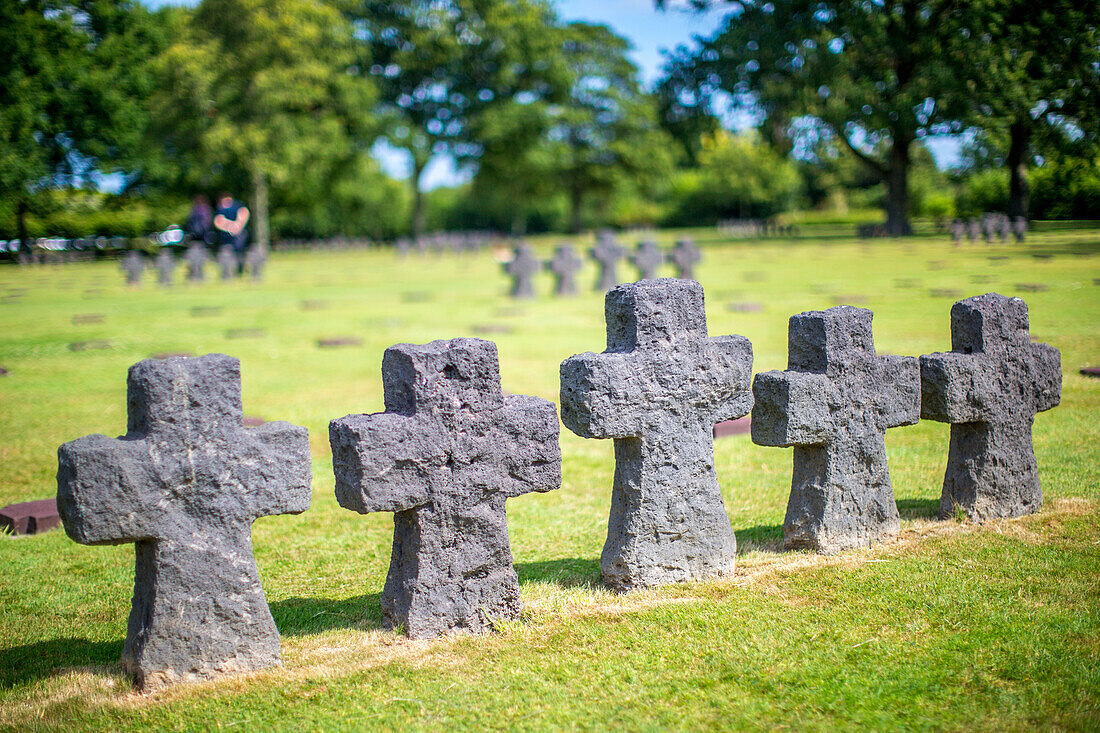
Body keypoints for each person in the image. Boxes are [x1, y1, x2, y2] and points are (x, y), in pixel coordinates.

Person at [213, 192, 250, 274]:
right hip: (227, 236)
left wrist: (238, 226)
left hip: (238, 235)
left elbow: (244, 213)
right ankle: (229, 271)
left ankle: (240, 270)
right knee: (227, 254)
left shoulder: (236, 206)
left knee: (239, 253)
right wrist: (230, 227)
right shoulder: (221, 209)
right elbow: (218, 221)